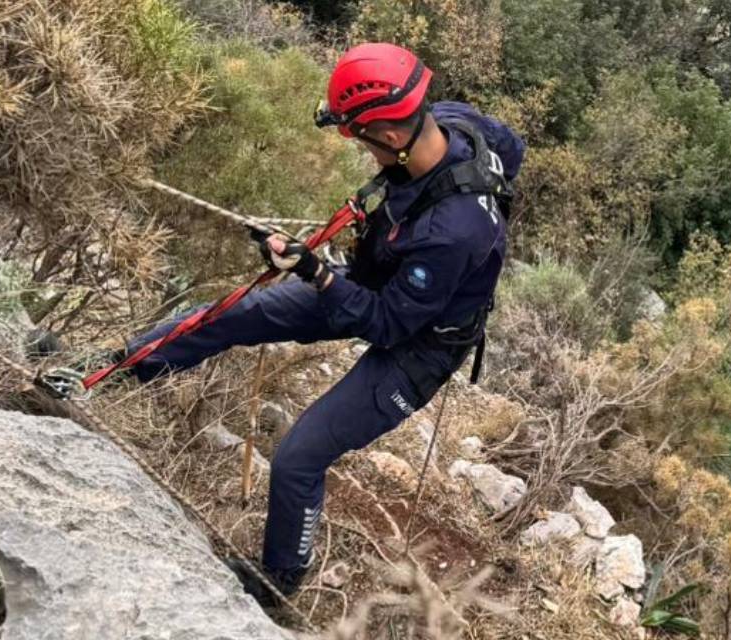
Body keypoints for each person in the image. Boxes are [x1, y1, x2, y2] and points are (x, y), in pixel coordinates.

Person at [121, 42, 524, 605]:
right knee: (244, 312)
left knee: (299, 457)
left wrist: (316, 273)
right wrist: (320, 271)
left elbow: (386, 326)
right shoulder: (455, 122)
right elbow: (513, 145)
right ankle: (123, 370)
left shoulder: (455, 232)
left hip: (417, 349)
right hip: (377, 284)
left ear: (388, 135)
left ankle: (279, 582)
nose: (359, 148)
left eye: (358, 137)